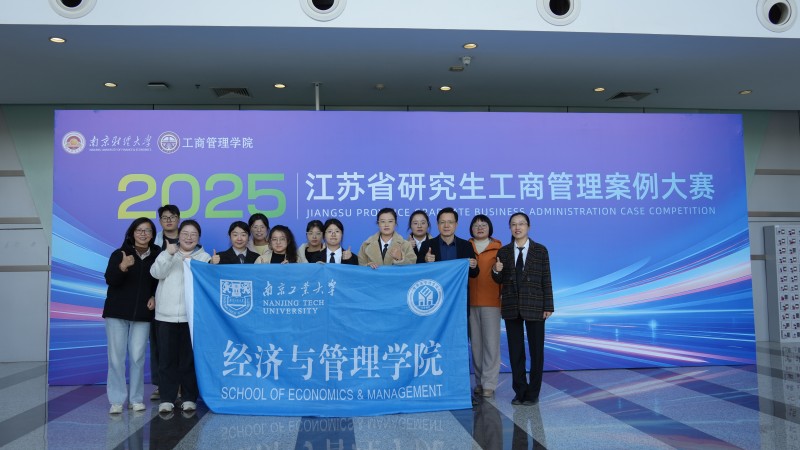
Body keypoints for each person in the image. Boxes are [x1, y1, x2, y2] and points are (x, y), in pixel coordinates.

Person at [491, 212, 554, 406]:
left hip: (535, 305)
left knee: (536, 351)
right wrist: (496, 271)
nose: (517, 227)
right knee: (515, 351)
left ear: (528, 226)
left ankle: (533, 393)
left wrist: (548, 305)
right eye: (513, 224)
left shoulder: (540, 250)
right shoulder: (503, 251)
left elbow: (546, 279)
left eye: (521, 224)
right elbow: (498, 280)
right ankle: (519, 391)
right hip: (511, 306)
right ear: (510, 228)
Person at [150, 219, 211, 414]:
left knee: (188, 360)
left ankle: (188, 397)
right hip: (165, 316)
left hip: (192, 318)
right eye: (185, 233)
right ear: (179, 235)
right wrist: (168, 254)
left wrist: (214, 266)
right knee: (166, 360)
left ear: (198, 238)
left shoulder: (205, 258)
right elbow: (156, 273)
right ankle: (167, 398)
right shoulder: (167, 253)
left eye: (193, 234)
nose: (189, 237)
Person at [102, 217, 161, 414]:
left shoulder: (157, 255)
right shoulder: (120, 253)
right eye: (139, 230)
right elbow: (110, 279)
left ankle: (136, 399)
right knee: (116, 358)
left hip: (143, 313)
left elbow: (160, 281)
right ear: (132, 233)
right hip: (117, 312)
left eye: (147, 230)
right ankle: (117, 400)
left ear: (152, 235)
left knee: (137, 357)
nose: (143, 234)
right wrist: (122, 267)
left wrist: (154, 296)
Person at [467, 215, 503, 398]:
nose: (480, 228)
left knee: (491, 344)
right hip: (469, 303)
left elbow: (504, 276)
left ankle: (489, 383)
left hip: (491, 302)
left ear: (490, 228)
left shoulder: (499, 248)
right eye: (476, 225)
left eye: (483, 225)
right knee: (476, 345)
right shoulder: (466, 247)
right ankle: (479, 381)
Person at [150, 204, 180, 402]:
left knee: (181, 348)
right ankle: (161, 385)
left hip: (182, 304)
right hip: (158, 302)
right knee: (159, 345)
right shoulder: (153, 243)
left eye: (172, 217)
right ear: (160, 221)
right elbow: (150, 273)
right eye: (165, 217)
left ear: (178, 219)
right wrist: (151, 295)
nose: (169, 220)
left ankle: (180, 385)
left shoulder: (187, 238)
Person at [416, 207, 479, 278]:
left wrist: (473, 266)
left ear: (456, 225)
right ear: (437, 225)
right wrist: (425, 261)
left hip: (458, 285)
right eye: (442, 222)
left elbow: (474, 274)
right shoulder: (427, 244)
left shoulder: (466, 245)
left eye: (450, 222)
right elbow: (417, 271)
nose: (446, 226)